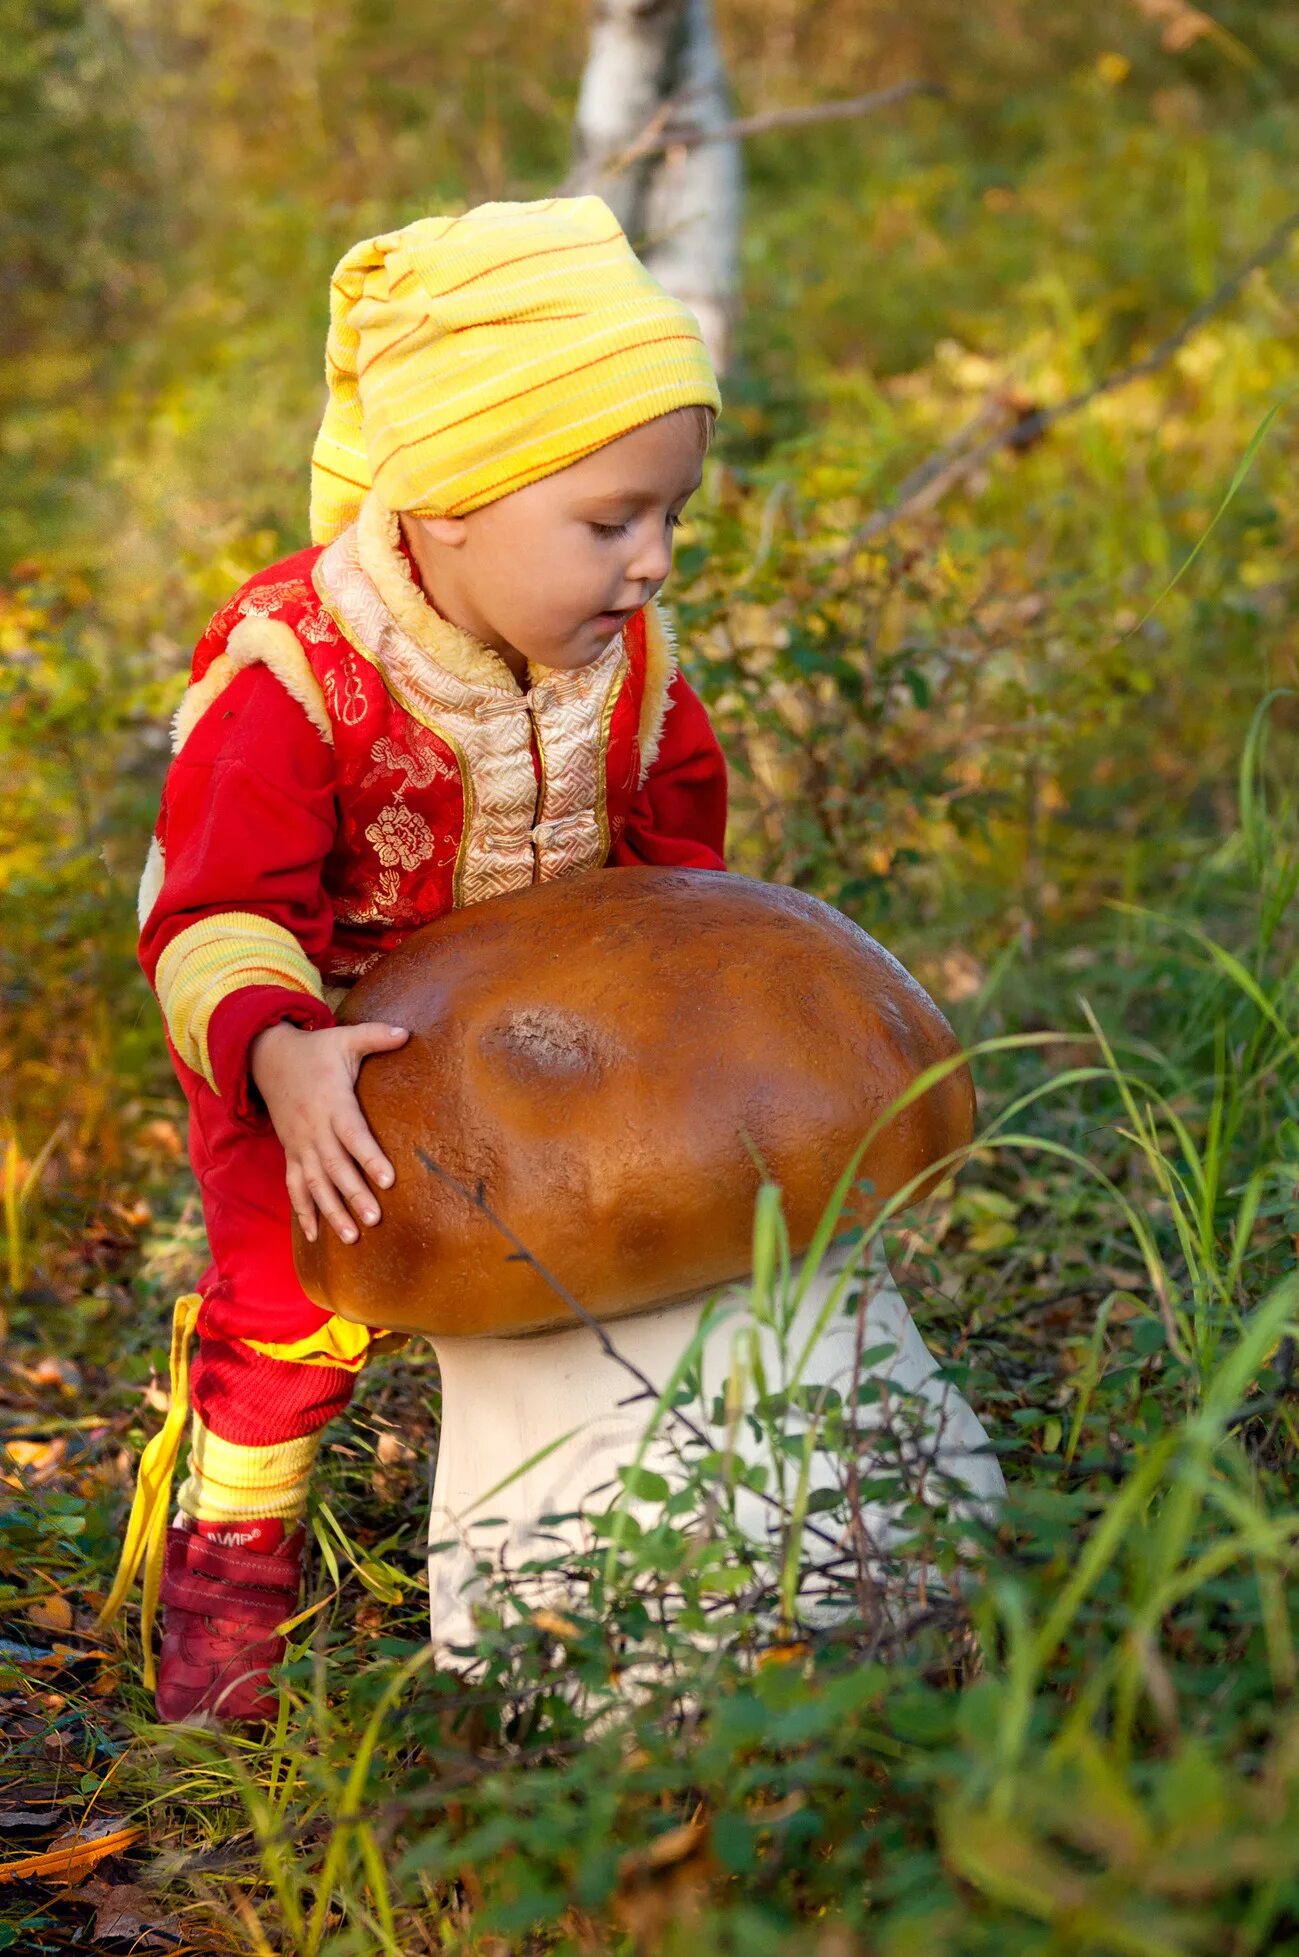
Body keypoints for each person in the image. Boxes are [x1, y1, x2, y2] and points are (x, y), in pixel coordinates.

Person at [99, 195, 727, 1725]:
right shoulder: (299, 673)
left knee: (619, 1278)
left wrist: (674, 993)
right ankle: (230, 1576)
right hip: (323, 1063)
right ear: (448, 501)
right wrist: (274, 1045)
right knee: (295, 1310)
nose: (649, 564)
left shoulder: (626, 668)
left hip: (550, 1051)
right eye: (607, 522)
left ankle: (599, 1588)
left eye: (668, 518)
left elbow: (673, 846)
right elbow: (211, 907)